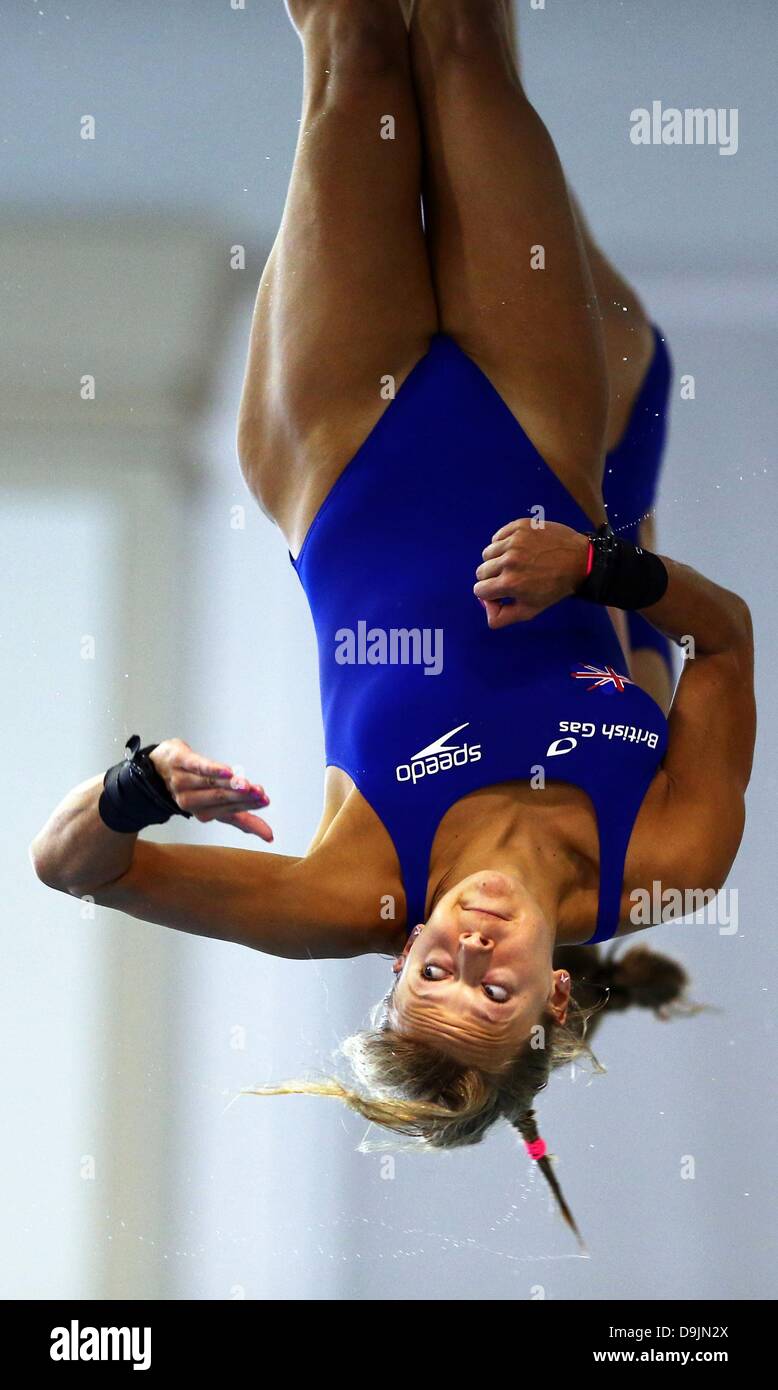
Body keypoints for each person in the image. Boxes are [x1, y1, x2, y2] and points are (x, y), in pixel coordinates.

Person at [30, 0, 755, 1241]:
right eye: (494, 985)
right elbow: (729, 636)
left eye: (430, 971)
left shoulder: (354, 894)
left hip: (338, 453)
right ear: (554, 1009)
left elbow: (74, 871)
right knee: (464, 43)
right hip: (538, 429)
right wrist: (597, 567)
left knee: (356, 46)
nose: (465, 946)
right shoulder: (673, 866)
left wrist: (137, 785)